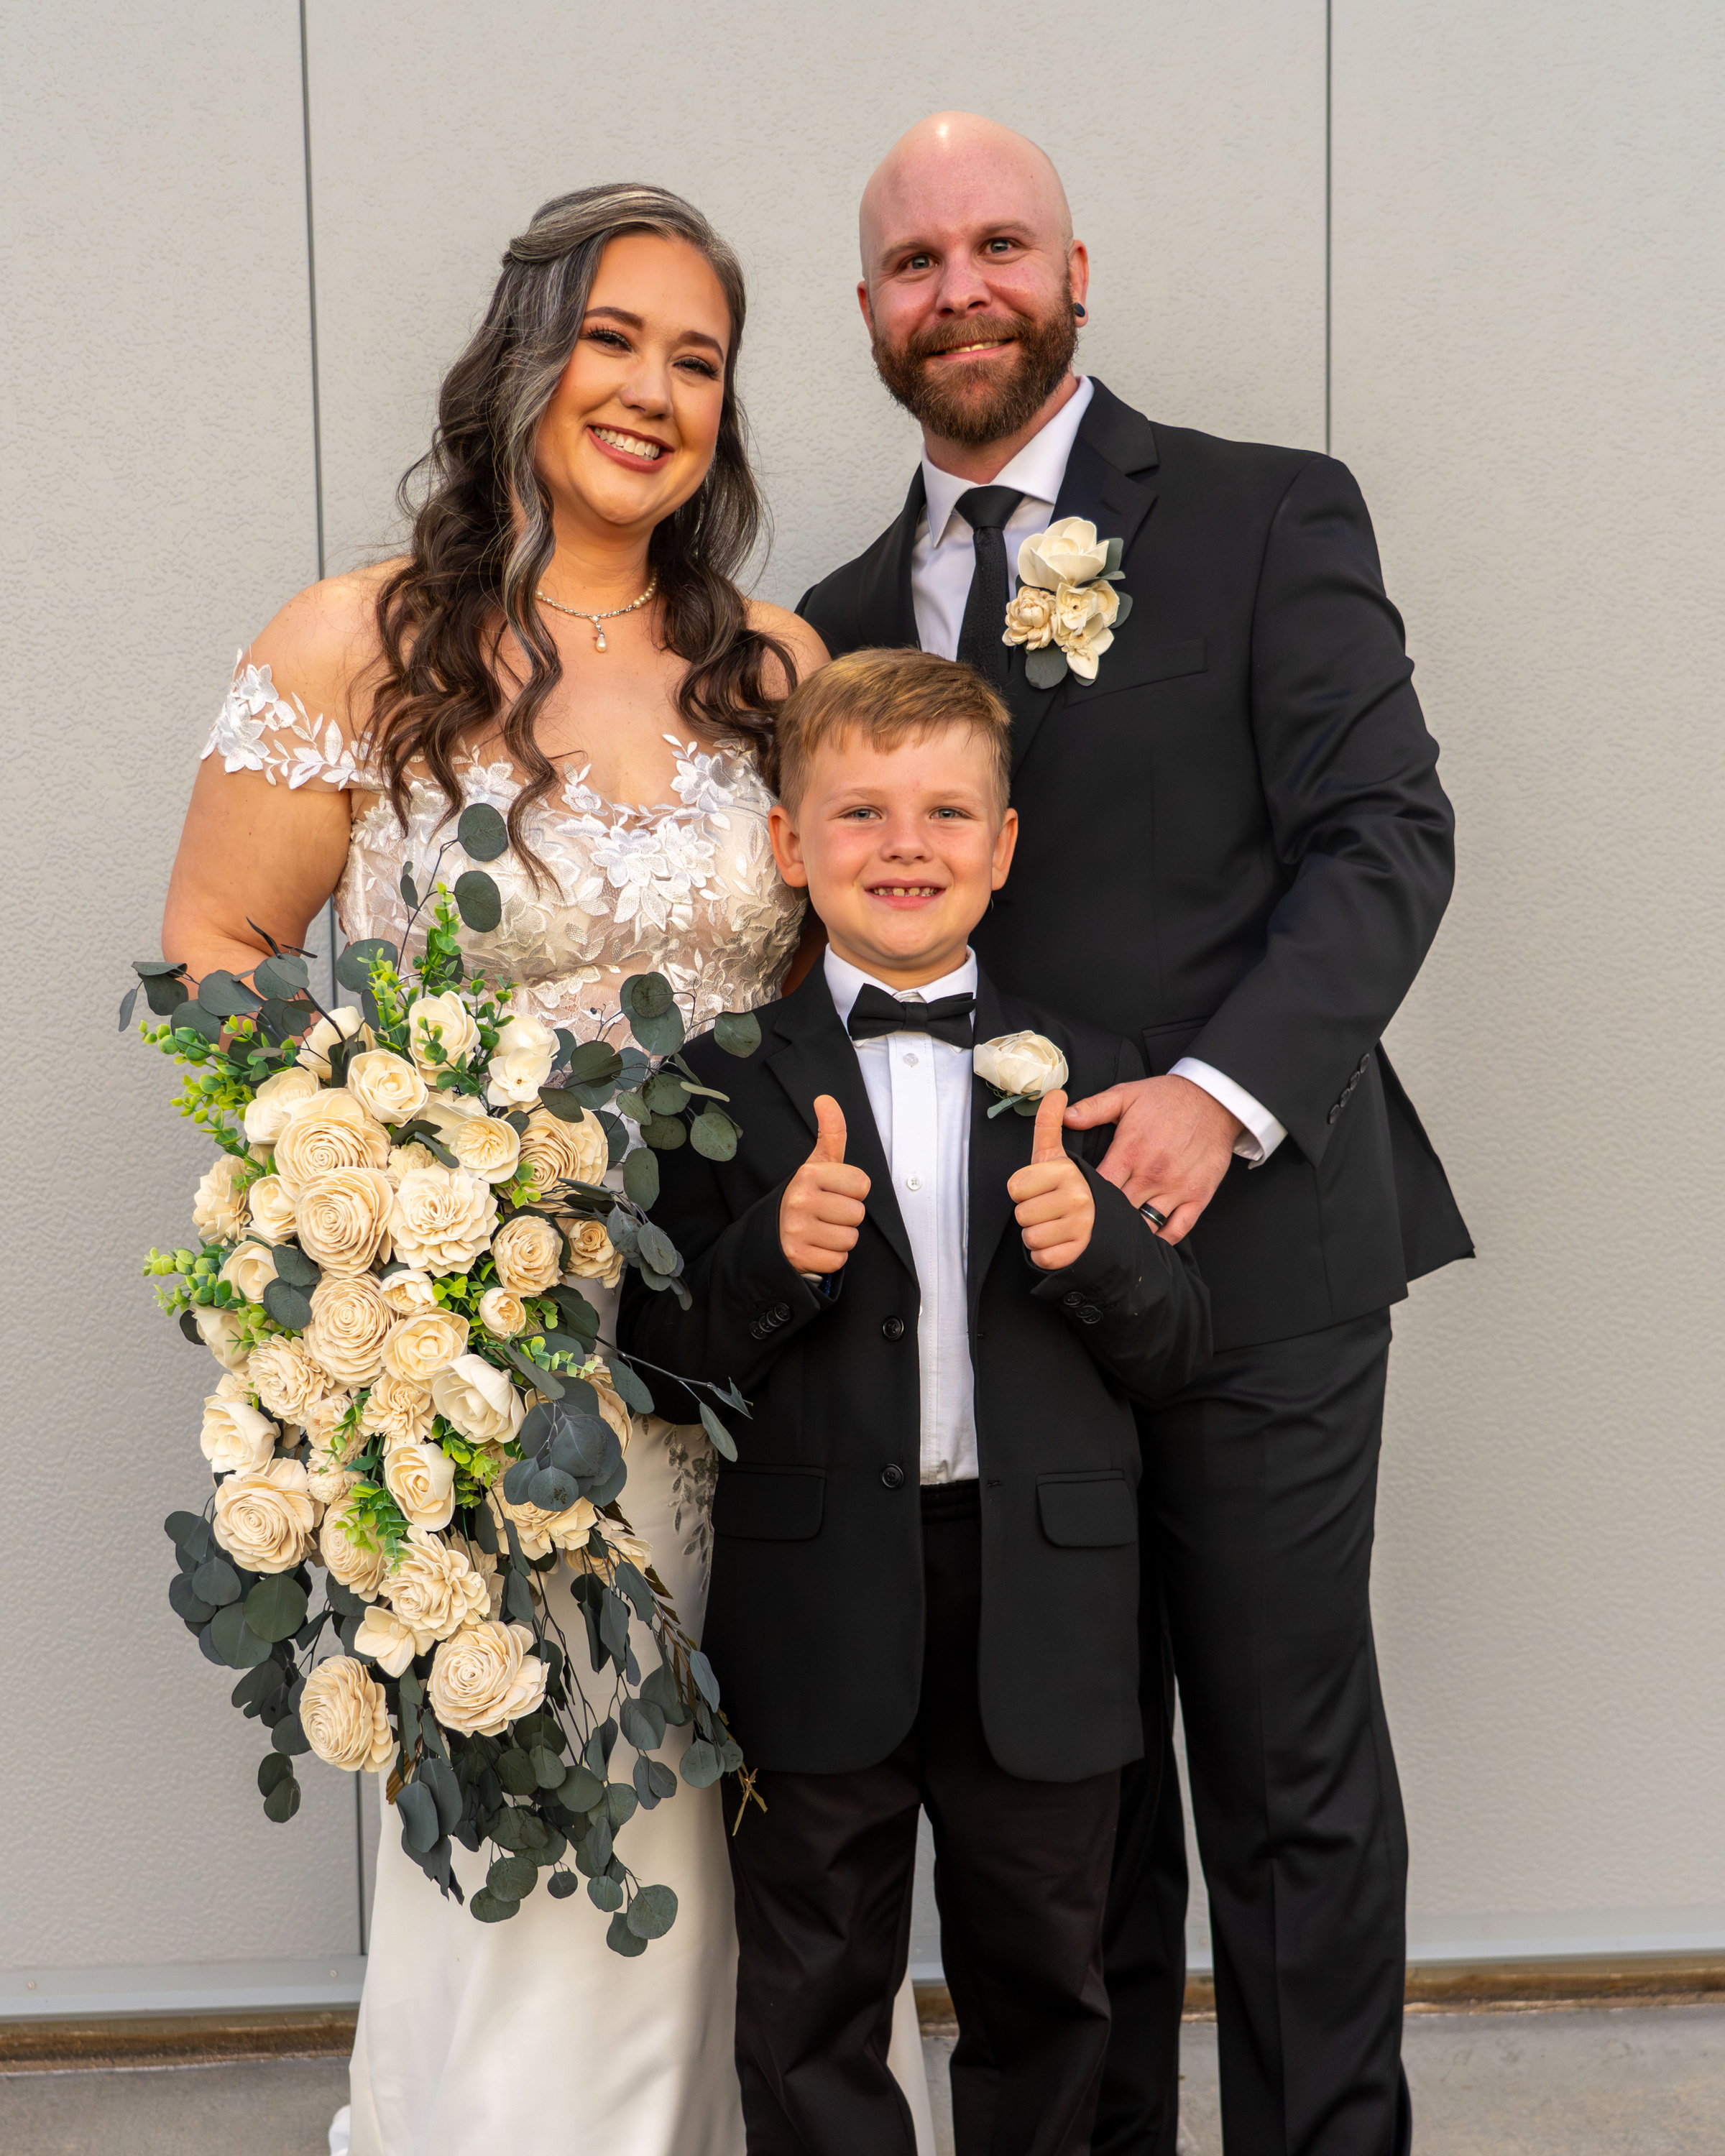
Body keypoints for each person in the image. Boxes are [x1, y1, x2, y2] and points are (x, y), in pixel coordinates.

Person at [162, 183, 934, 2156]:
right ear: (526, 352)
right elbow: (218, 955)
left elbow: (866, 953)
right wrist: (382, 1177)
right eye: (615, 338)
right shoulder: (357, 644)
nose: (655, 391)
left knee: (808, 1840)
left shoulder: (774, 666)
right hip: (511, 1379)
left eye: (699, 359)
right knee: (573, 1830)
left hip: (774, 1354)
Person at [796, 114, 1473, 2156]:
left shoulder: (1269, 513)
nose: (963, 291)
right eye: (918, 263)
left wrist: (1218, 1097)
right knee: (1067, 1809)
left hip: (1260, 1266)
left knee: (1284, 1780)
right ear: (869, 313)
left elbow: (1386, 837)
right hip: (1004, 1309)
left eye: (1002, 246)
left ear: (1074, 275)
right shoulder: (835, 615)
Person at [620, 647, 1210, 2156]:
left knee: (1051, 1986)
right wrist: (771, 1258)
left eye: (946, 814)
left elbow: (1181, 1352)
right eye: (861, 812)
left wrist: (1100, 1256)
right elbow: (659, 1361)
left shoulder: (1100, 1070)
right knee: (809, 1996)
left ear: (1002, 847)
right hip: (817, 1604)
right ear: (788, 843)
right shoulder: (713, 1085)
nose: (905, 846)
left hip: (1047, 1603)